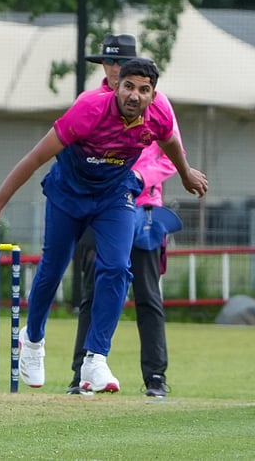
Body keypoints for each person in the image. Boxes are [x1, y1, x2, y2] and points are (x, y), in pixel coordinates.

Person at [0, 58, 207, 394]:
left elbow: (170, 141)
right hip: (68, 194)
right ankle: (33, 339)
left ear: (153, 95)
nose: (134, 96)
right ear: (117, 87)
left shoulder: (159, 114)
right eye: (128, 87)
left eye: (144, 90)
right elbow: (36, 157)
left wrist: (185, 174)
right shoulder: (89, 109)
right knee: (53, 270)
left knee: (115, 267)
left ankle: (95, 357)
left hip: (114, 195)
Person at [66, 34, 185, 397]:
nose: (114, 70)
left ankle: (156, 378)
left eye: (120, 64)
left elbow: (170, 154)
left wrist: (137, 177)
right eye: (109, 63)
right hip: (97, 208)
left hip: (143, 210)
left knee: (147, 296)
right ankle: (81, 374)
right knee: (91, 293)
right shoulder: (91, 102)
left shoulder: (157, 102)